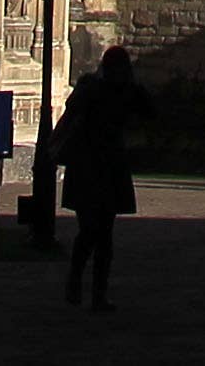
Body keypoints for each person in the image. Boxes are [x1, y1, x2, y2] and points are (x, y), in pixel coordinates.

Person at [48, 46, 140, 308]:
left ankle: (91, 290)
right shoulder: (95, 91)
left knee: (98, 234)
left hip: (97, 168)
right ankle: (81, 285)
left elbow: (146, 111)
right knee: (92, 232)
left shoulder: (114, 92)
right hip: (94, 167)